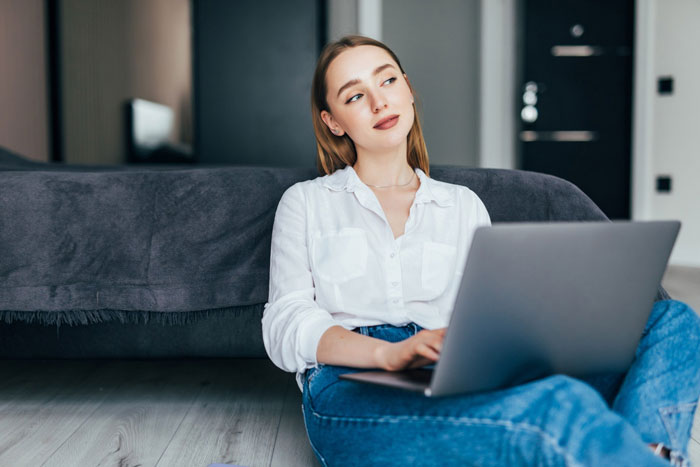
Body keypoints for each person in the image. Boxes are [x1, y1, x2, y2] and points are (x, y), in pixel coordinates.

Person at [261, 35, 700, 466]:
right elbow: (285, 324)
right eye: (355, 96)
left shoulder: (462, 204)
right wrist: (385, 353)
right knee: (555, 406)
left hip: (457, 374)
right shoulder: (307, 201)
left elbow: (486, 313)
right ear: (333, 121)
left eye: (388, 81)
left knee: (672, 321)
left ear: (408, 89)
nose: (379, 102)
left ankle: (646, 454)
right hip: (353, 382)